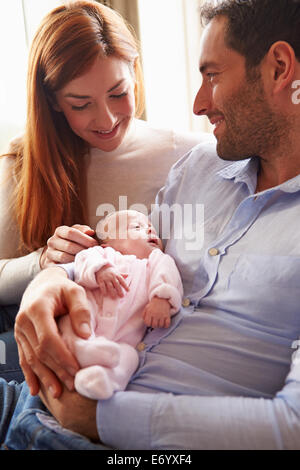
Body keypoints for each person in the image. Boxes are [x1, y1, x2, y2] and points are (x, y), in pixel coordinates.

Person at [2, 0, 300, 450]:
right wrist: (49, 279)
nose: (198, 103)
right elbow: (130, 247)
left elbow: (291, 425)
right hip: (34, 394)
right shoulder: (200, 167)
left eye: (212, 75)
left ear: (279, 68)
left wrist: (98, 418)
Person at [0, 0, 201, 382]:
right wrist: (42, 262)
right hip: (42, 329)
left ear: (136, 73)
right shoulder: (23, 161)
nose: (106, 119)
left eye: (117, 93)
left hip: (138, 340)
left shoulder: (189, 155)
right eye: (81, 104)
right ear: (54, 103)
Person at [58, 210, 183, 400]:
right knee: (69, 322)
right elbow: (84, 260)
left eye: (152, 228)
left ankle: (103, 379)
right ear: (110, 243)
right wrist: (101, 270)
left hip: (123, 339)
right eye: (137, 227)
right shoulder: (103, 254)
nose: (150, 230)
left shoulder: (157, 260)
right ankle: (81, 349)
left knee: (130, 357)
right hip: (87, 319)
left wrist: (162, 299)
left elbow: (168, 276)